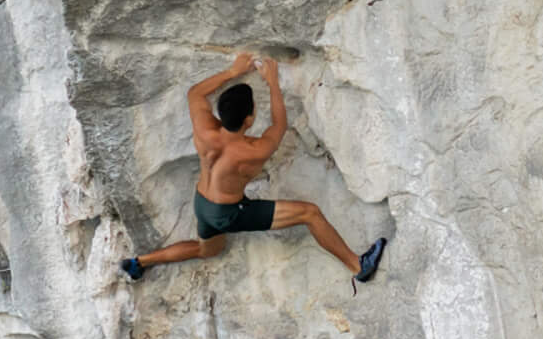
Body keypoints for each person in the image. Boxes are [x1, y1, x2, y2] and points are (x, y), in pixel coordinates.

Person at [120, 51, 388, 286]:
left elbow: (195, 93)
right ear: (249, 120)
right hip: (229, 214)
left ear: (220, 114)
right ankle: (357, 266)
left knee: (208, 250)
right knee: (310, 213)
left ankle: (139, 263)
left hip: (202, 203)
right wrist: (272, 83)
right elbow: (279, 125)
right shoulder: (254, 151)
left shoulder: (205, 129)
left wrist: (232, 72)